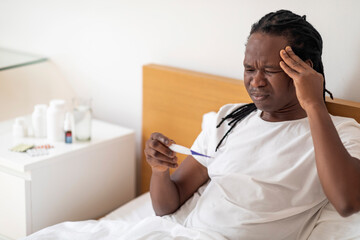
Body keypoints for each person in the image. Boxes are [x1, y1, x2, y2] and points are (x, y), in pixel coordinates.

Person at [145, 9, 360, 239]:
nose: (256, 81)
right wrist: (159, 171)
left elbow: (347, 202)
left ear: (303, 70)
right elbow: (167, 205)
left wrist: (315, 104)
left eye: (269, 71)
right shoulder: (229, 119)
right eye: (249, 69)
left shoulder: (340, 132)